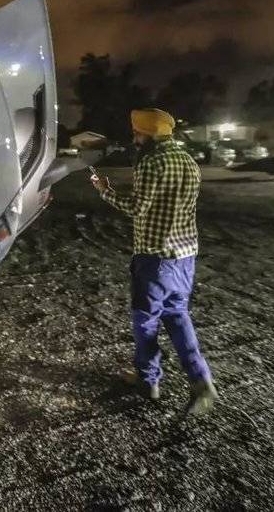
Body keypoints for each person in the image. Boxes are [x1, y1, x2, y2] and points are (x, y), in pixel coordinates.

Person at [90, 108, 218, 415]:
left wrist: (105, 191)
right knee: (178, 315)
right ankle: (201, 381)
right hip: (185, 256)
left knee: (145, 320)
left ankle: (148, 381)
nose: (135, 139)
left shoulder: (151, 161)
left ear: (146, 134)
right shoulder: (188, 160)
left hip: (155, 257)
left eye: (137, 133)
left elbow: (137, 208)